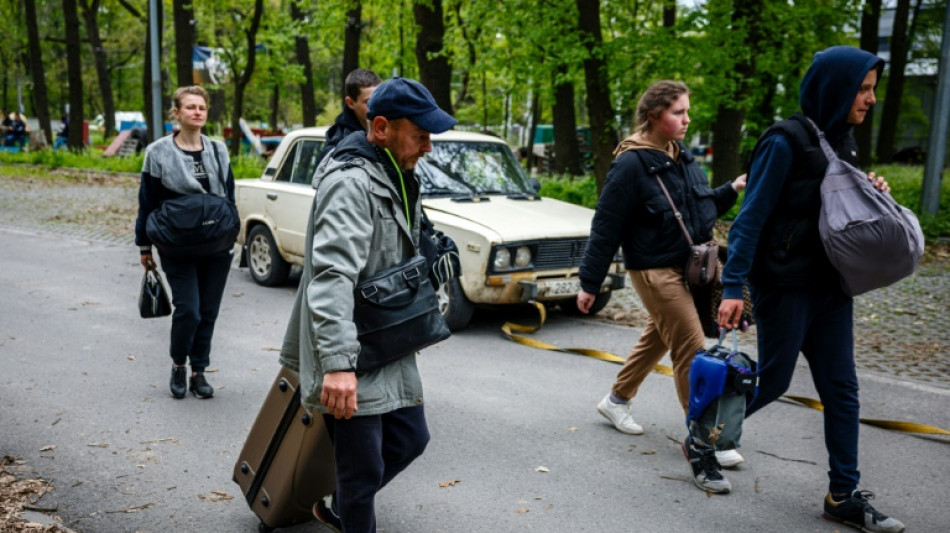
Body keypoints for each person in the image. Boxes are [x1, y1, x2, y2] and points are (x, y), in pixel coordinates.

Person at [717, 47, 904, 532]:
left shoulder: (844, 141)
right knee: (773, 381)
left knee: (842, 390)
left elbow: (836, 208)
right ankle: (704, 434)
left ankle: (843, 494)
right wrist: (733, 285)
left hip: (831, 286)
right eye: (863, 89)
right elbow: (749, 219)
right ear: (835, 89)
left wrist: (870, 191)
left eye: (873, 89)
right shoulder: (784, 141)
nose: (871, 99)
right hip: (784, 284)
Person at [277, 77, 457, 532]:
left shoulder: (395, 170)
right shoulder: (350, 183)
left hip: (387, 336)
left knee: (411, 439)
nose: (428, 147)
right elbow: (331, 275)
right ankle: (347, 508)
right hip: (351, 346)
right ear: (380, 128)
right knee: (362, 474)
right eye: (421, 135)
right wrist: (338, 365)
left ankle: (336, 506)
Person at [577, 80, 747, 494]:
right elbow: (606, 226)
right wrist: (590, 282)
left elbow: (701, 207)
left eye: (687, 111)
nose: (687, 120)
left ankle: (616, 401)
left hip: (688, 267)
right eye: (678, 112)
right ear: (653, 115)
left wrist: (732, 189)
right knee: (691, 346)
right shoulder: (630, 164)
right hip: (654, 270)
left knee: (660, 334)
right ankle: (706, 438)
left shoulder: (681, 156)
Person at [134, 85, 235, 401]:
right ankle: (179, 364)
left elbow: (229, 198)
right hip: (177, 245)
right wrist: (144, 247)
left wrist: (232, 235)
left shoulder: (218, 150)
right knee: (189, 310)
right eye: (191, 107)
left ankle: (198, 371)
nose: (197, 112)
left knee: (208, 311)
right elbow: (147, 202)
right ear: (176, 113)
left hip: (216, 245)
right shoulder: (158, 152)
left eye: (202, 107)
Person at [318, 67, 382, 161]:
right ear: (350, 103)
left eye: (380, 99)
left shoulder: (389, 131)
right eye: (368, 102)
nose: (377, 106)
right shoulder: (340, 149)